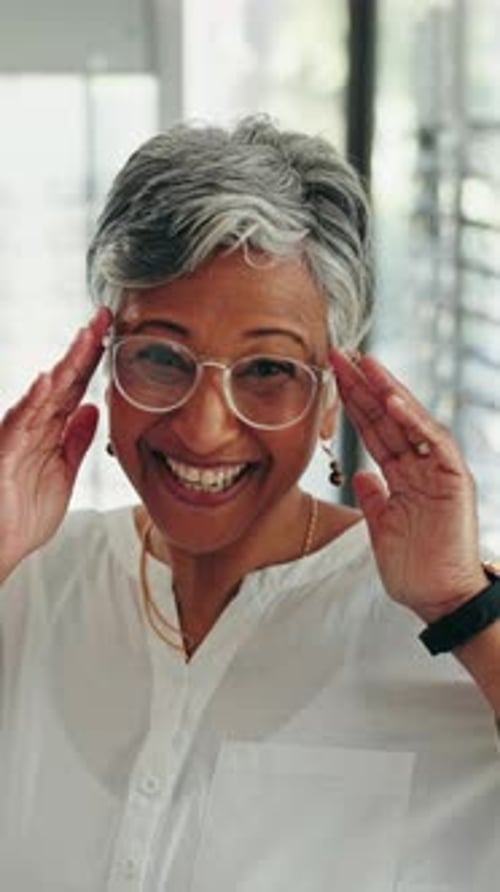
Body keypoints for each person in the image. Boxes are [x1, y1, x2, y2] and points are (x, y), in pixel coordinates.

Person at [0, 115, 499, 892]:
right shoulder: (26, 584)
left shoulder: (457, 622)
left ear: (333, 396)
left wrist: (463, 606)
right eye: (161, 358)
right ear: (103, 366)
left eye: (267, 369)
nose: (204, 427)